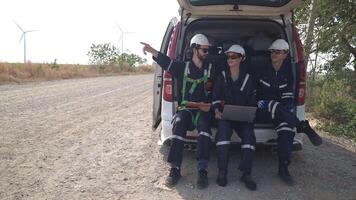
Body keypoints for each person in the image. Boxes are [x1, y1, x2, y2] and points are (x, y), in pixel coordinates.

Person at [141, 33, 214, 189]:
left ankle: (202, 170)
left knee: (204, 127)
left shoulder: (210, 68)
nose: (207, 54)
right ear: (195, 49)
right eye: (205, 50)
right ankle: (175, 169)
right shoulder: (183, 67)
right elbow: (166, 62)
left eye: (208, 51)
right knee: (179, 123)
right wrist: (153, 51)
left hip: (202, 110)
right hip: (186, 109)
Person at [256, 39, 323, 186]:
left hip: (280, 111)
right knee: (272, 104)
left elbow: (287, 100)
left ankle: (283, 169)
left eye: (278, 52)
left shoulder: (289, 74)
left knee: (286, 130)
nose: (274, 54)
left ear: (285, 54)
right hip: (261, 111)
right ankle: (302, 126)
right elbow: (256, 93)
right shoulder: (262, 70)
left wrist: (277, 106)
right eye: (272, 51)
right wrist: (261, 101)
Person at [212, 44, 257, 190]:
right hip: (225, 116)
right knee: (223, 135)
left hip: (242, 117)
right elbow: (215, 97)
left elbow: (252, 100)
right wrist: (217, 110)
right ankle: (222, 172)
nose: (230, 59)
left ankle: (246, 173)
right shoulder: (222, 76)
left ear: (242, 58)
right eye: (228, 56)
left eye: (234, 56)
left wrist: (250, 113)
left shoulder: (249, 78)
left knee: (249, 136)